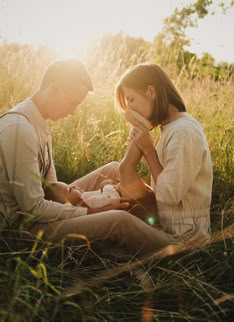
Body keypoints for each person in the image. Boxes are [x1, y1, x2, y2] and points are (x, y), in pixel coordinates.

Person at [0, 58, 172, 258]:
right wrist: (91, 212)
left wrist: (79, 197)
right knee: (117, 220)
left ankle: (155, 222)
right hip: (22, 232)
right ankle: (181, 250)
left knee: (114, 170)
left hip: (38, 213)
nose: (73, 111)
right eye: (73, 102)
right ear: (55, 89)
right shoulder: (20, 130)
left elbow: (51, 187)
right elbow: (34, 209)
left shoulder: (39, 125)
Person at [116, 63, 213, 247]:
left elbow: (168, 195)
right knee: (112, 170)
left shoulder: (183, 133)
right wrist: (141, 129)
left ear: (151, 92)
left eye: (132, 99)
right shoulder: (168, 127)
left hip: (183, 238)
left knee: (117, 220)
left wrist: (149, 151)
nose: (129, 110)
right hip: (166, 223)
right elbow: (125, 166)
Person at [43, 110, 157, 223]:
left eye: (70, 186)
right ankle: (141, 128)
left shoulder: (83, 198)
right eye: (69, 190)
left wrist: (106, 186)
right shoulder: (85, 202)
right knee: (125, 167)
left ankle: (139, 129)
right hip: (127, 202)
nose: (73, 187)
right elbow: (108, 199)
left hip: (124, 195)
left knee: (122, 166)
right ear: (68, 205)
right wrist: (106, 185)